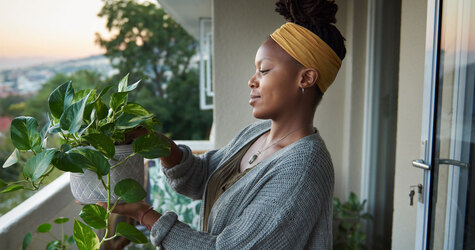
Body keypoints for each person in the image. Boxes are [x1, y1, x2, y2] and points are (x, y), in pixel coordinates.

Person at [104, 0, 346, 248]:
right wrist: (158, 144)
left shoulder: (303, 170)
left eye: (264, 70)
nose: (252, 81)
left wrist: (143, 214)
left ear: (305, 78)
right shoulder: (257, 133)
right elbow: (203, 177)